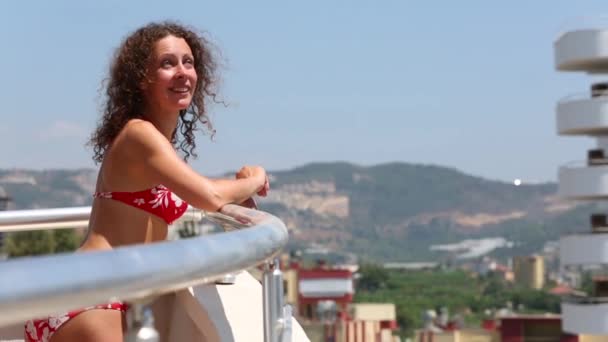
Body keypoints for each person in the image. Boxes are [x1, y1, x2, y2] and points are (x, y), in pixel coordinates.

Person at [24, 21, 269, 342]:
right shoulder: (139, 134)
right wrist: (256, 179)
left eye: (188, 62)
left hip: (99, 291)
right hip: (95, 295)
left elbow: (200, 189)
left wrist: (236, 188)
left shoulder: (154, 142)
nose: (182, 72)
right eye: (168, 63)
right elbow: (208, 195)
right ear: (142, 78)